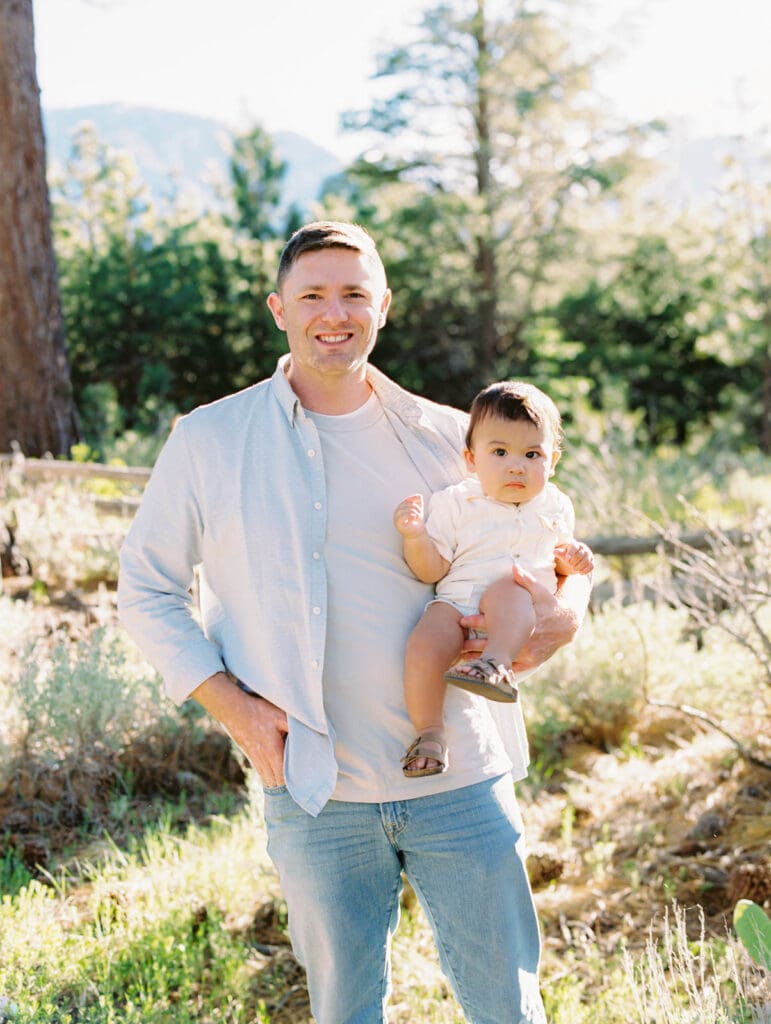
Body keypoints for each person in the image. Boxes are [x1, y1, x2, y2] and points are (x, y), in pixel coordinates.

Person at [118, 221, 592, 1024]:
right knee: (344, 1012)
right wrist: (239, 714)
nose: (332, 313)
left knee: (508, 1008)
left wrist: (569, 617)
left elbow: (555, 546)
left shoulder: (455, 438)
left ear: (383, 307)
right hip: (314, 784)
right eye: (312, 295)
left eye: (352, 294)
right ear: (278, 309)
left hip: (460, 778)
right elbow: (146, 588)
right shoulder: (209, 441)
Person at [394, 380, 594, 778]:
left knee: (511, 589)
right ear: (471, 459)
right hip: (458, 602)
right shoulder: (456, 502)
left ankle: (494, 665)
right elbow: (431, 569)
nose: (516, 465)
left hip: (515, 608)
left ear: (552, 462)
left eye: (531, 454)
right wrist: (414, 536)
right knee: (423, 644)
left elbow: (559, 565)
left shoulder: (554, 504)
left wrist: (575, 560)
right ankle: (430, 733)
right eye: (499, 452)